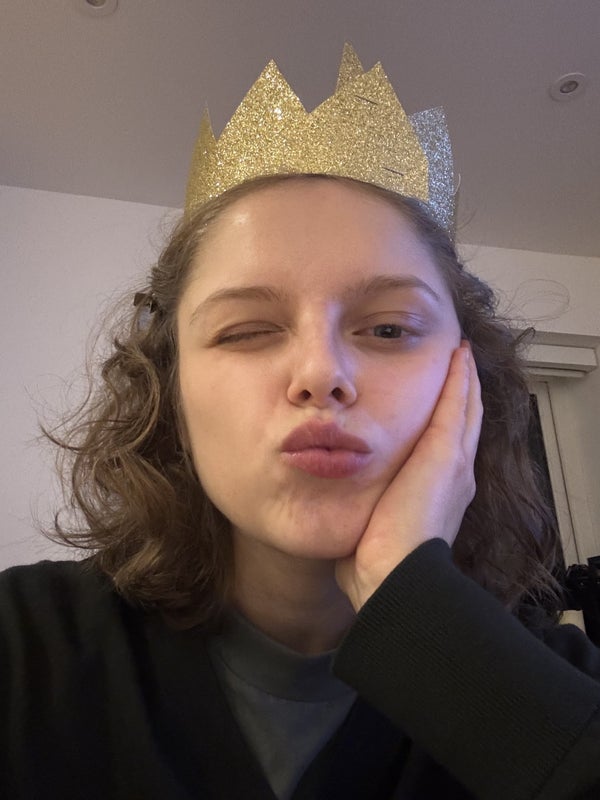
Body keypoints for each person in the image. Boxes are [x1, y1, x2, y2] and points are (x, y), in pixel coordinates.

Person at [1, 45, 599, 800]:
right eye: (246, 331)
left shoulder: (561, 690)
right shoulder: (24, 646)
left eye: (389, 329)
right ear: (169, 391)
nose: (320, 373)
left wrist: (421, 614)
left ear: (467, 381)